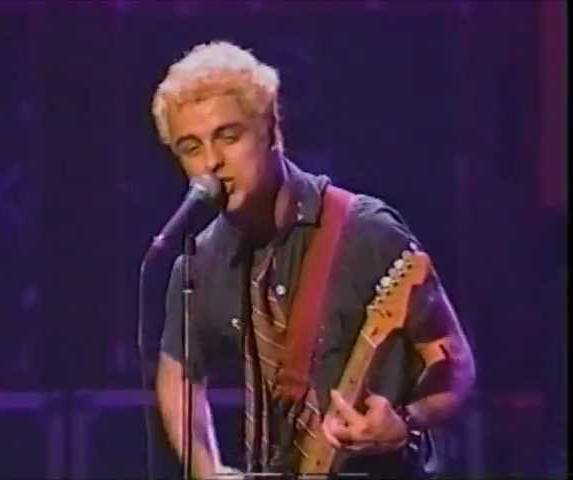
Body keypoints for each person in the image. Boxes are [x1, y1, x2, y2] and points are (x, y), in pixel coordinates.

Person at [151, 40, 475, 479]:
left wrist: (405, 422)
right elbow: (178, 374)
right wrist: (208, 471)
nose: (211, 162)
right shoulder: (199, 262)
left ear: (271, 129)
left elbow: (455, 364)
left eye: (229, 136)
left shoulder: (367, 231)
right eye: (191, 148)